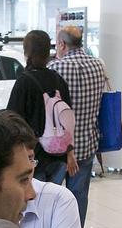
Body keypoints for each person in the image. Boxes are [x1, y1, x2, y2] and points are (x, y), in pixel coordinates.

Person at [49, 25, 108, 227]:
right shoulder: (98, 65)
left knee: (53, 197)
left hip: (59, 147)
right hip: (87, 143)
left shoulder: (56, 69)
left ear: (62, 44)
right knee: (79, 196)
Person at [6, 30, 74, 184]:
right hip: (59, 154)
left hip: (33, 156)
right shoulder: (58, 80)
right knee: (51, 201)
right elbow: (68, 119)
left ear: (26, 52)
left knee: (33, 202)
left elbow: (12, 119)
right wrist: (70, 152)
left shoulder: (24, 81)